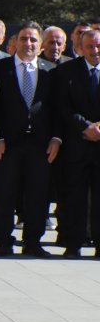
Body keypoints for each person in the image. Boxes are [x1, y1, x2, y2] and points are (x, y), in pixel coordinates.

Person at [0, 23, 59, 257]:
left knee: (38, 194)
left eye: (33, 40)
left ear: (40, 45)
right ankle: (4, 241)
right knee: (5, 193)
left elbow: (57, 108)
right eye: (24, 39)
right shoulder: (0, 67)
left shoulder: (50, 71)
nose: (29, 44)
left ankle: (33, 242)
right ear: (15, 42)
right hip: (8, 144)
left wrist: (56, 138)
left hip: (40, 144)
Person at [54, 28, 100, 258]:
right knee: (75, 197)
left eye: (98, 46)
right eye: (90, 47)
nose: (95, 51)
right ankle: (73, 244)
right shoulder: (66, 72)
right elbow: (62, 107)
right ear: (79, 48)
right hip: (76, 145)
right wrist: (85, 127)